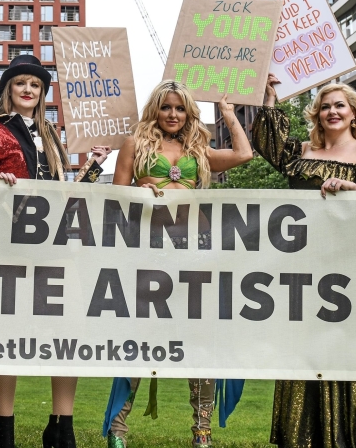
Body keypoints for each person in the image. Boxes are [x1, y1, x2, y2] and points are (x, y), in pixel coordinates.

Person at [253, 74, 356, 448]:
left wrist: (354, 191)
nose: (332, 111)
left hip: (352, 268)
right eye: (325, 106)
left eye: (339, 105)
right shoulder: (302, 155)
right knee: (309, 347)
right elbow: (270, 144)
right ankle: (305, 435)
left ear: (354, 113)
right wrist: (269, 98)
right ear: (317, 114)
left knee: (353, 346)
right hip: (306, 266)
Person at [102, 80, 254, 448]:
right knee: (140, 338)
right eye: (166, 107)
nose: (173, 114)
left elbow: (244, 154)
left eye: (180, 108)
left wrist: (229, 115)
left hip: (196, 250)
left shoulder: (198, 148)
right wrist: (140, 193)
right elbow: (114, 198)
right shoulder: (134, 145)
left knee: (201, 340)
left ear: (189, 112)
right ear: (155, 108)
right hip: (148, 249)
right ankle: (118, 429)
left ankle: (202, 431)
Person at [0, 54, 110, 448]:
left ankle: (61, 425)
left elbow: (65, 193)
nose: (28, 90)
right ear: (7, 89)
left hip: (53, 245)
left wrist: (96, 165)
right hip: (10, 245)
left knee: (67, 330)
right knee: (7, 334)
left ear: (43, 93)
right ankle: (6, 430)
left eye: (36, 85)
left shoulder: (51, 135)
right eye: (21, 83)